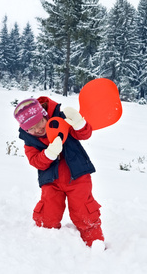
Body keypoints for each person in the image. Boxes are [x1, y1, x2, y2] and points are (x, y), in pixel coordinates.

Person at [13, 96, 104, 248]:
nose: (37, 130)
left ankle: (94, 245)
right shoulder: (30, 141)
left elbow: (84, 135)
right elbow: (35, 161)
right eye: (31, 128)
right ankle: (46, 247)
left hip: (78, 176)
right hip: (51, 181)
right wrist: (48, 154)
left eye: (40, 123)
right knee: (48, 213)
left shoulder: (62, 120)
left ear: (44, 115)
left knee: (84, 211)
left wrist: (79, 123)